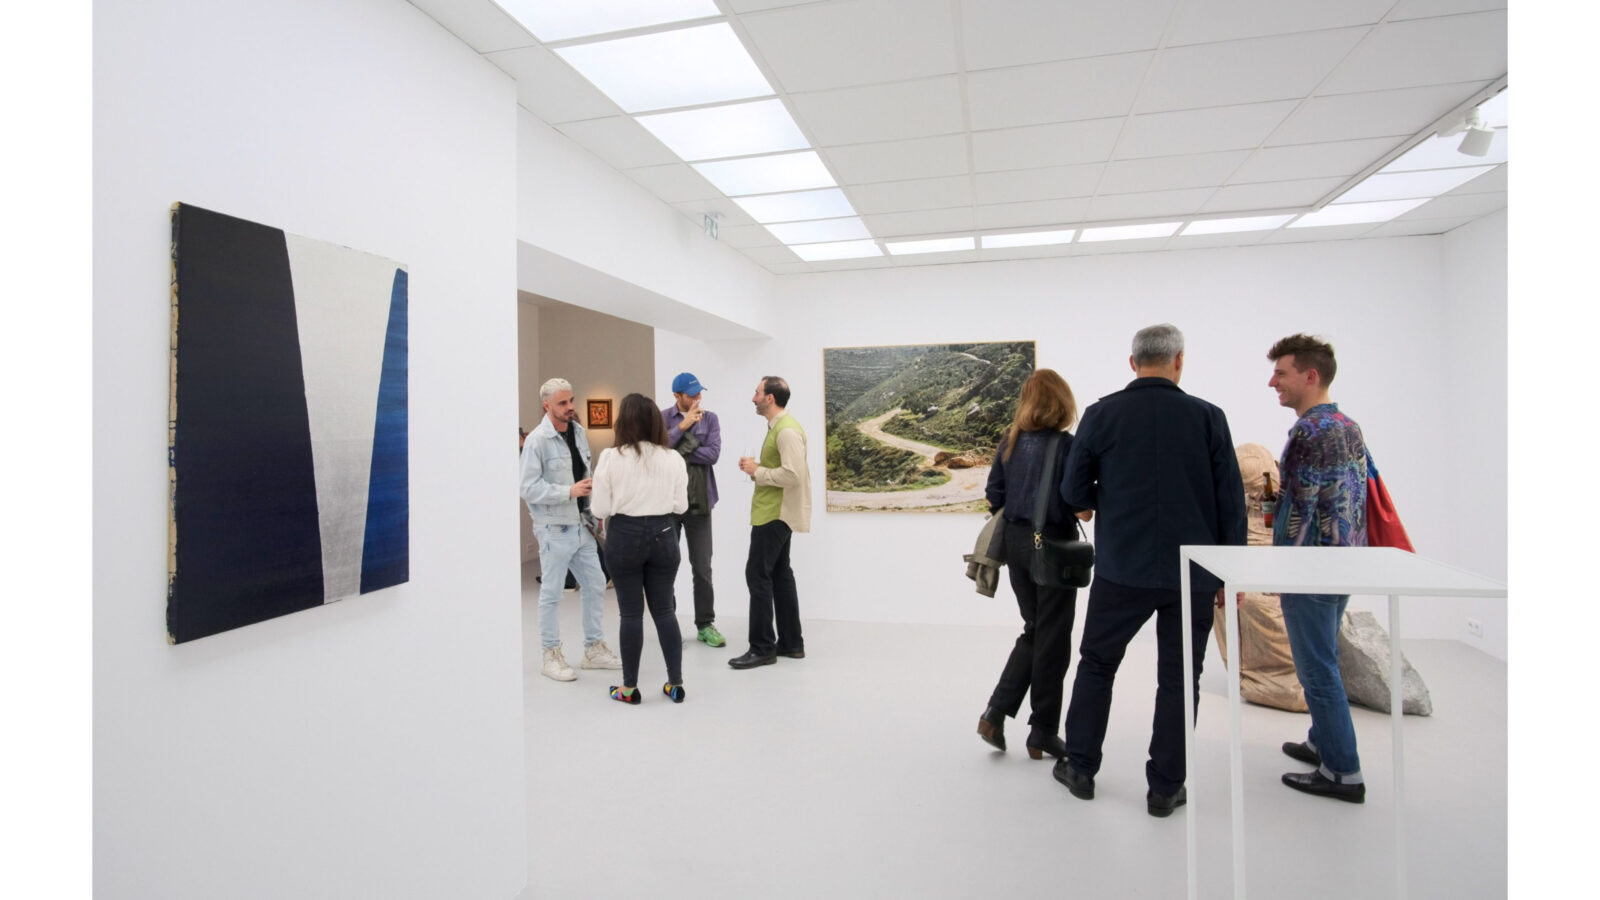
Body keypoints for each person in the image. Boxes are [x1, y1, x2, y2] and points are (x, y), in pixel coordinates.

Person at [1054, 324, 1247, 818]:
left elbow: (1073, 490)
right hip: (1193, 572)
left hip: (1122, 568)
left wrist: (1100, 502)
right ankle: (1165, 788)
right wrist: (1230, 573)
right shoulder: (1208, 417)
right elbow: (1231, 503)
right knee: (1181, 678)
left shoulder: (1101, 414)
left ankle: (1080, 768)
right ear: (1179, 361)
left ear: (1132, 363)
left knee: (1097, 664)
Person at [1266, 333, 1369, 803]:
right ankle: (1321, 741)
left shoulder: (1308, 432)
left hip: (1310, 567)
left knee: (1316, 669)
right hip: (1343, 561)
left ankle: (1343, 772)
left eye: (1281, 373)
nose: (1273, 383)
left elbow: (1301, 510)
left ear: (1310, 376)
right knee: (1323, 655)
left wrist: (1279, 568)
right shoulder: (1347, 425)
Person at [977, 369, 1093, 760]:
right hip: (1053, 547)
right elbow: (1082, 507)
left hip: (1015, 545)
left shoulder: (1009, 442)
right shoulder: (1067, 446)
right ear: (1062, 402)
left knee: (1036, 629)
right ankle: (1042, 731)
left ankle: (995, 714)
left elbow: (993, 495)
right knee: (1053, 639)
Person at [520, 377, 622, 681]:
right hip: (553, 529)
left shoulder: (578, 432)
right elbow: (527, 488)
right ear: (547, 406)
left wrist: (593, 510)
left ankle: (593, 649)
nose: (570, 407)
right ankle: (550, 655)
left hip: (582, 525)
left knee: (595, 583)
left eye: (571, 400)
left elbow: (585, 475)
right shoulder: (537, 441)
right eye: (562, 403)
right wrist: (569, 491)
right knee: (552, 593)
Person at [590, 393, 690, 704]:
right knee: (665, 611)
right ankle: (675, 684)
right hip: (664, 534)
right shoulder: (673, 458)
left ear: (624, 422)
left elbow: (599, 509)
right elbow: (681, 506)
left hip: (624, 536)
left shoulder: (611, 457)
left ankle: (629, 689)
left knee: (631, 614)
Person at [728, 376, 812, 669]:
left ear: (770, 398)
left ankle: (762, 647)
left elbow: (792, 475)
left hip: (774, 514)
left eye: (757, 392)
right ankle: (791, 643)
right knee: (780, 574)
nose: (753, 398)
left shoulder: (786, 431)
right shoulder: (780, 428)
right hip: (777, 512)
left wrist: (758, 471)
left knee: (757, 575)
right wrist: (758, 469)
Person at [662, 372, 725, 648]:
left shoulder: (711, 419)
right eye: (692, 394)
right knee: (666, 567)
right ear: (677, 396)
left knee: (702, 567)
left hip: (701, 502)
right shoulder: (662, 418)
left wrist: (680, 448)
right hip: (668, 504)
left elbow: (713, 455)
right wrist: (684, 426)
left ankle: (705, 624)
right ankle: (668, 624)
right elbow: (658, 450)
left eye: (700, 392)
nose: (698, 398)